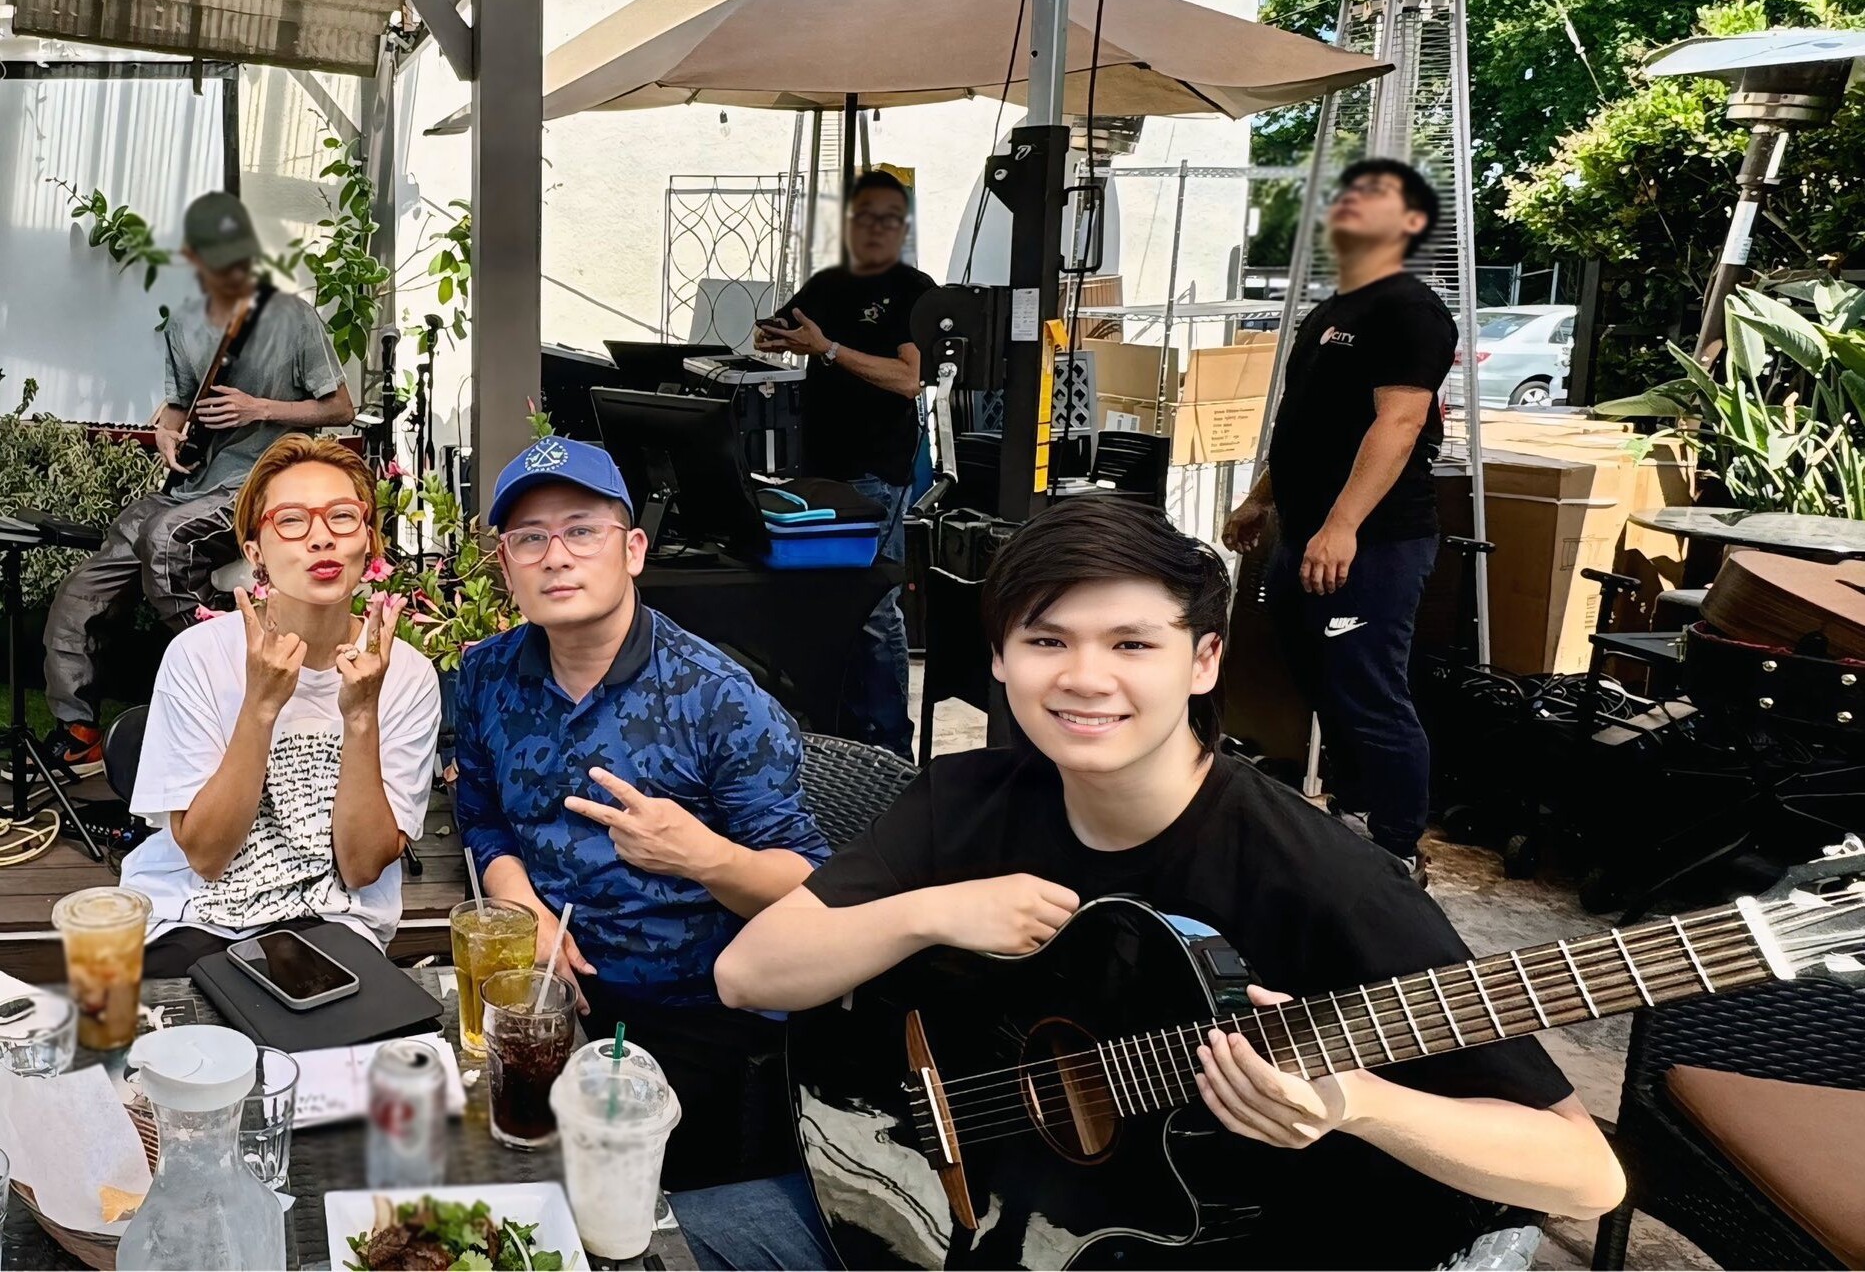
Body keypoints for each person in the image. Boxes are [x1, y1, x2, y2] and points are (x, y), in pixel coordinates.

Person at [678, 497, 1624, 1271]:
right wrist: (932, 913)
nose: (1085, 679)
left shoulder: (1324, 880)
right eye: (1046, 641)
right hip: (947, 1208)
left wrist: (1362, 1104)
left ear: (1203, 660)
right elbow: (749, 975)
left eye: (1132, 644)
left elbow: (1586, 1173)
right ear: (999, 658)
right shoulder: (964, 801)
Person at [451, 437, 831, 1190]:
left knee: (641, 1222)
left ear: (632, 551)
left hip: (688, 1014)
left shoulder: (717, 697)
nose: (556, 557)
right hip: (539, 995)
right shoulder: (486, 673)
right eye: (530, 539)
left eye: (581, 531)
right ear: (507, 567)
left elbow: (811, 883)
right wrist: (525, 913)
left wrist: (702, 856)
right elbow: (481, 810)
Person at [41, 191, 355, 776]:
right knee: (84, 586)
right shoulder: (184, 323)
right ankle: (79, 731)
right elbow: (179, 407)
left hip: (264, 484)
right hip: (197, 484)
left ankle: (234, 688)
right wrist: (165, 431)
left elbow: (341, 407)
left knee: (164, 541)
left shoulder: (292, 316)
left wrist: (259, 408)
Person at [123, 435, 439, 979]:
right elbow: (205, 856)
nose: (321, 537)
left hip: (334, 922)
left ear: (369, 542)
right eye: (292, 520)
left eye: (342, 516)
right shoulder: (198, 657)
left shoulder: (406, 675)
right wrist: (261, 705)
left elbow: (362, 867)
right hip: (192, 916)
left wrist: (361, 715)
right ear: (255, 554)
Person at [1223, 158, 1457, 879]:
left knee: (1367, 691)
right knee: (1321, 684)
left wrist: (1343, 525)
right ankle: (1352, 815)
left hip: (1372, 543)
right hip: (1305, 535)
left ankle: (1397, 848)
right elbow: (1307, 424)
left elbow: (1399, 423)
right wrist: (1261, 498)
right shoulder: (1333, 311)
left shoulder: (1410, 312)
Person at [754, 169, 934, 759]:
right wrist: (774, 336)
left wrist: (828, 349)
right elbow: (775, 333)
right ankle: (837, 737)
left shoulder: (913, 290)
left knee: (873, 608)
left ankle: (889, 747)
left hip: (875, 474)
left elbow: (909, 379)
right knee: (825, 604)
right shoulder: (828, 283)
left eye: (888, 218)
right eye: (864, 216)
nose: (875, 227)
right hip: (816, 473)